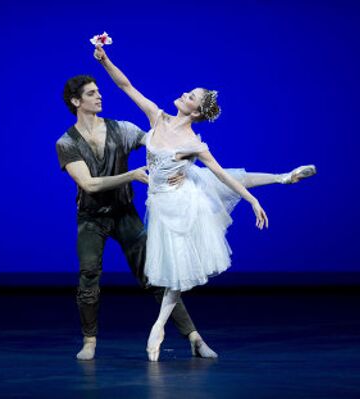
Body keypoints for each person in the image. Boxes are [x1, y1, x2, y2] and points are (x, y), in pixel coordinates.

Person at [94, 44, 316, 361]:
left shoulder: (193, 144)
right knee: (172, 269)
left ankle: (158, 328)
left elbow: (224, 175)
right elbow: (125, 85)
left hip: (181, 203)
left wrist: (252, 200)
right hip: (159, 201)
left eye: (190, 97)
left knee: (179, 264)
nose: (184, 94)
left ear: (195, 112)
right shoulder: (156, 117)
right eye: (188, 92)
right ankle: (282, 177)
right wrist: (104, 60)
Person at [56, 75, 220, 361]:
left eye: (99, 91)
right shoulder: (66, 142)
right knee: (89, 273)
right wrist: (130, 175)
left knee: (156, 275)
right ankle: (89, 341)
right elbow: (90, 184)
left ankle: (193, 336)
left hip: (125, 213)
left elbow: (164, 144)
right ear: (76, 101)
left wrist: (181, 164)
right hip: (91, 217)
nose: (99, 96)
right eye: (92, 93)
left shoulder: (122, 129)